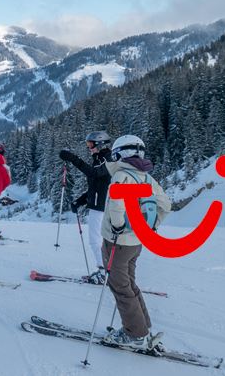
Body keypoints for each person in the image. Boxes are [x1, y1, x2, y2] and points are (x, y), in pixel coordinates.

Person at [100, 135, 171, 350]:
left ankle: (135, 333)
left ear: (121, 153)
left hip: (117, 242)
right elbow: (166, 204)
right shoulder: (147, 179)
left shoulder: (122, 175)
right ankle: (141, 326)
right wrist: (152, 225)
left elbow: (117, 204)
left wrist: (118, 225)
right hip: (136, 242)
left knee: (120, 286)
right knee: (129, 284)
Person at [58, 131, 113, 284]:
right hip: (99, 204)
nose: (89, 147)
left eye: (91, 144)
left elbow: (93, 173)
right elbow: (95, 186)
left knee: (95, 241)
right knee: (99, 241)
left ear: (100, 144)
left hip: (102, 207)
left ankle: (104, 273)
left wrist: (72, 158)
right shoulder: (100, 158)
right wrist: (80, 201)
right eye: (88, 144)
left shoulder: (107, 159)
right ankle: (106, 270)